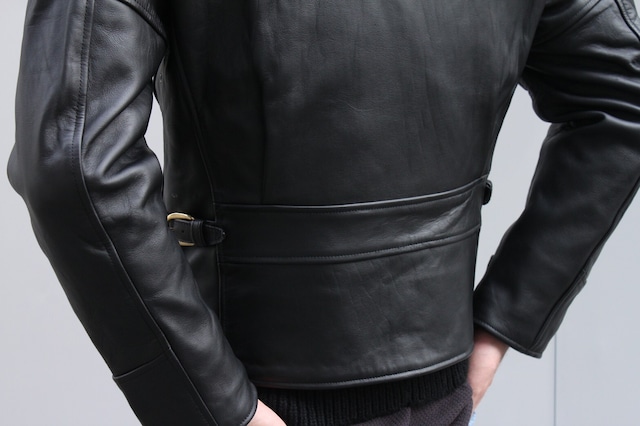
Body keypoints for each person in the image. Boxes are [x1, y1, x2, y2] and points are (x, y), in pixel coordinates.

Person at [8, 0, 640, 425]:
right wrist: (501, 323)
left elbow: (72, 158)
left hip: (252, 392)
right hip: (435, 391)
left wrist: (213, 407)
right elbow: (625, 92)